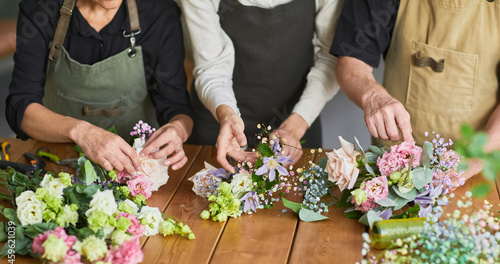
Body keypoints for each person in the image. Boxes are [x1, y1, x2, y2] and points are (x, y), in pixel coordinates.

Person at [6, 0, 194, 174]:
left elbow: (177, 109)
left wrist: (177, 128)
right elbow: (21, 108)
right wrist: (82, 132)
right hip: (52, 161)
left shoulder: (159, 13)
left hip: (134, 168)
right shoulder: (41, 8)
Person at [330, 0, 500, 179]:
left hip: (483, 163)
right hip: (394, 162)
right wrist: (372, 95)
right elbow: (350, 61)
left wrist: (477, 156)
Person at [179, 0, 342, 172]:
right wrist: (227, 114)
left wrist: (294, 127)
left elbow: (330, 60)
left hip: (298, 118)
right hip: (218, 121)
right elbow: (211, 67)